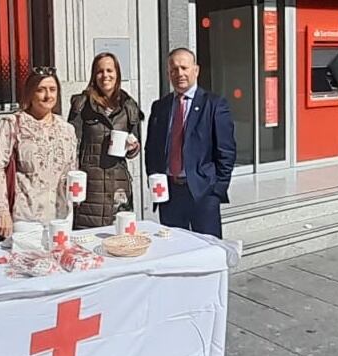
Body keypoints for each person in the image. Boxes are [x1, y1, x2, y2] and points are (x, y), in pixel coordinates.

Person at [144, 47, 236, 238]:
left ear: (196, 70)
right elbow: (151, 148)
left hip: (202, 193)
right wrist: (154, 179)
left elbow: (226, 151)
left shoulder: (214, 104)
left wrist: (217, 190)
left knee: (207, 250)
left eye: (184, 68)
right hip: (169, 194)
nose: (180, 74)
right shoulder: (160, 106)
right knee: (174, 249)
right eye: (174, 69)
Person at [0, 67, 78, 240]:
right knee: (27, 264)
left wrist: (75, 190)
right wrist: (3, 212)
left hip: (61, 216)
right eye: (40, 90)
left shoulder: (67, 129)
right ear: (30, 93)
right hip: (26, 216)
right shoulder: (12, 124)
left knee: (60, 263)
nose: (47, 96)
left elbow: (71, 170)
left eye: (52, 90)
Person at [68, 52, 144, 228]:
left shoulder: (129, 105)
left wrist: (133, 147)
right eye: (100, 71)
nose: (105, 75)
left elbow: (135, 146)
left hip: (118, 185)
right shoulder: (82, 104)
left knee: (118, 240)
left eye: (110, 70)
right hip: (90, 185)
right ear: (94, 75)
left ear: (117, 73)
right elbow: (71, 146)